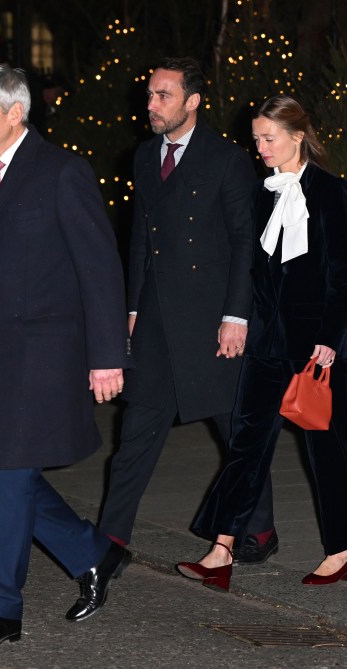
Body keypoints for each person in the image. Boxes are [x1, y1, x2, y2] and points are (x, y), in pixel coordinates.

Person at [0, 64, 130, 649]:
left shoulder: (63, 171)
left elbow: (100, 270)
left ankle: (2, 608)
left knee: (8, 476)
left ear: (16, 112)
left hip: (44, 355)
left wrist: (108, 355)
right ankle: (93, 553)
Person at [176, 95, 347, 591]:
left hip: (316, 348)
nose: (259, 147)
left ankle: (341, 552)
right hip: (266, 342)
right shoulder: (262, 194)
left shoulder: (330, 192)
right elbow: (255, 271)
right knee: (247, 444)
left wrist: (329, 339)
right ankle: (221, 551)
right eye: (256, 137)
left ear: (297, 136)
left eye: (268, 137)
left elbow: (343, 279)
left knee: (326, 450)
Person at [98, 57, 278, 564]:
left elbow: (247, 241)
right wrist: (130, 306)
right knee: (136, 429)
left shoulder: (227, 159)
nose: (151, 105)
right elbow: (139, 237)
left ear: (193, 102)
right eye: (150, 95)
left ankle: (259, 530)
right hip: (156, 318)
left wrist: (237, 316)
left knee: (235, 432)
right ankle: (109, 538)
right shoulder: (142, 157)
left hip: (211, 319)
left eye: (163, 96)